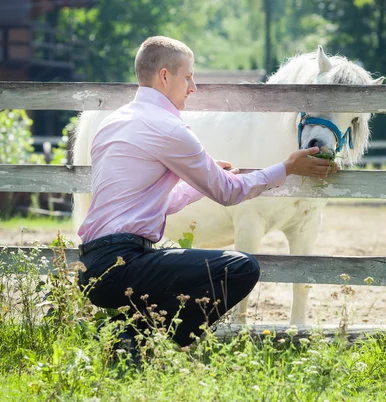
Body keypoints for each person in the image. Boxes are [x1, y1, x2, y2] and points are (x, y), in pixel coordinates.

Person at [77, 36, 337, 349]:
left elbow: (152, 204)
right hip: (129, 263)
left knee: (181, 269)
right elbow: (230, 193)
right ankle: (170, 342)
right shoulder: (170, 128)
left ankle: (134, 338)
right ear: (164, 76)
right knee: (242, 267)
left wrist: (198, 186)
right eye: (187, 77)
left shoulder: (114, 122)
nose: (193, 87)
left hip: (92, 265)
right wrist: (287, 167)